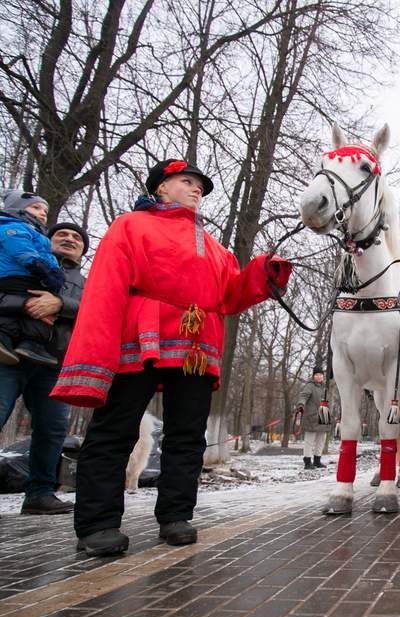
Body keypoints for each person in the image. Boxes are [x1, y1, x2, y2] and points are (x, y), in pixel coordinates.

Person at [50, 158, 292, 556]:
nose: (197, 189)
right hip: (141, 338)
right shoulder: (130, 226)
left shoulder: (213, 246)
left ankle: (176, 516)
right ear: (161, 187)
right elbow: (106, 288)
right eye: (187, 181)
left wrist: (262, 272)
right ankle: (97, 524)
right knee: (116, 428)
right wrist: (97, 352)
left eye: (200, 185)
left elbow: (229, 296)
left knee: (187, 434)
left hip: (197, 345)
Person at [0, 211, 88, 517]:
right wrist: (25, 304)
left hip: (54, 363)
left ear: (82, 251)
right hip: (8, 354)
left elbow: (93, 310)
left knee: (52, 430)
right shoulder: (19, 263)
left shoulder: (86, 283)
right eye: (61, 234)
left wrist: (61, 304)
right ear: (45, 241)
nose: (69, 239)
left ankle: (39, 493)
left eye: (76, 238)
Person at [0, 189, 65, 367]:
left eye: (45, 211)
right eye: (36, 208)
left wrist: (55, 271)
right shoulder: (13, 226)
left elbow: (46, 254)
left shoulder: (39, 234)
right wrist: (37, 265)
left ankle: (32, 344)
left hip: (32, 277)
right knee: (15, 313)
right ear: (17, 209)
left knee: (40, 314)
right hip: (15, 276)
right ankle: (3, 338)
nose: (42, 213)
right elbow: (19, 247)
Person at [296, 366, 331, 469]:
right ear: (313, 376)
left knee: (321, 440)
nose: (319, 376)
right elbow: (303, 396)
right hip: (312, 416)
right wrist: (301, 405)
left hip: (323, 414)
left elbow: (326, 401)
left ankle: (317, 461)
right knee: (309, 440)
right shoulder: (310, 386)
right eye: (317, 375)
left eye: (320, 375)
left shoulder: (324, 387)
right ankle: (307, 462)